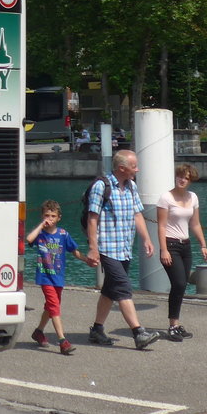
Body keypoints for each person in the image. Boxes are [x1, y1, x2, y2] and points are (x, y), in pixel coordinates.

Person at [85, 149, 161, 349]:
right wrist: (93, 248)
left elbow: (137, 214)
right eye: (134, 166)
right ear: (122, 168)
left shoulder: (131, 187)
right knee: (123, 288)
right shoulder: (101, 187)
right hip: (107, 248)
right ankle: (138, 333)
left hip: (124, 248)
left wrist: (146, 239)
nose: (137, 169)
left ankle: (97, 330)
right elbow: (92, 219)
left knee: (110, 290)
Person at [26, 199, 96, 354]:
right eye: (46, 215)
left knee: (50, 306)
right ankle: (62, 341)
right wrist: (40, 226)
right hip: (45, 277)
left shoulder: (63, 234)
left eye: (52, 216)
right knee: (54, 306)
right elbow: (29, 239)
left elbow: (74, 251)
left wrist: (87, 260)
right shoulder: (40, 235)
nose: (49, 219)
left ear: (58, 218)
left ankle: (38, 331)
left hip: (58, 277)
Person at [156, 163, 207, 341]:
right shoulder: (166, 198)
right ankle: (172, 326)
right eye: (180, 176)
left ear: (190, 180)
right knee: (178, 283)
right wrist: (163, 250)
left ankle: (176, 324)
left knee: (182, 284)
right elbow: (162, 226)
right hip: (171, 245)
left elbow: (195, 223)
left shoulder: (192, 197)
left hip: (185, 245)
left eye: (186, 178)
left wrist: (203, 244)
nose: (182, 180)